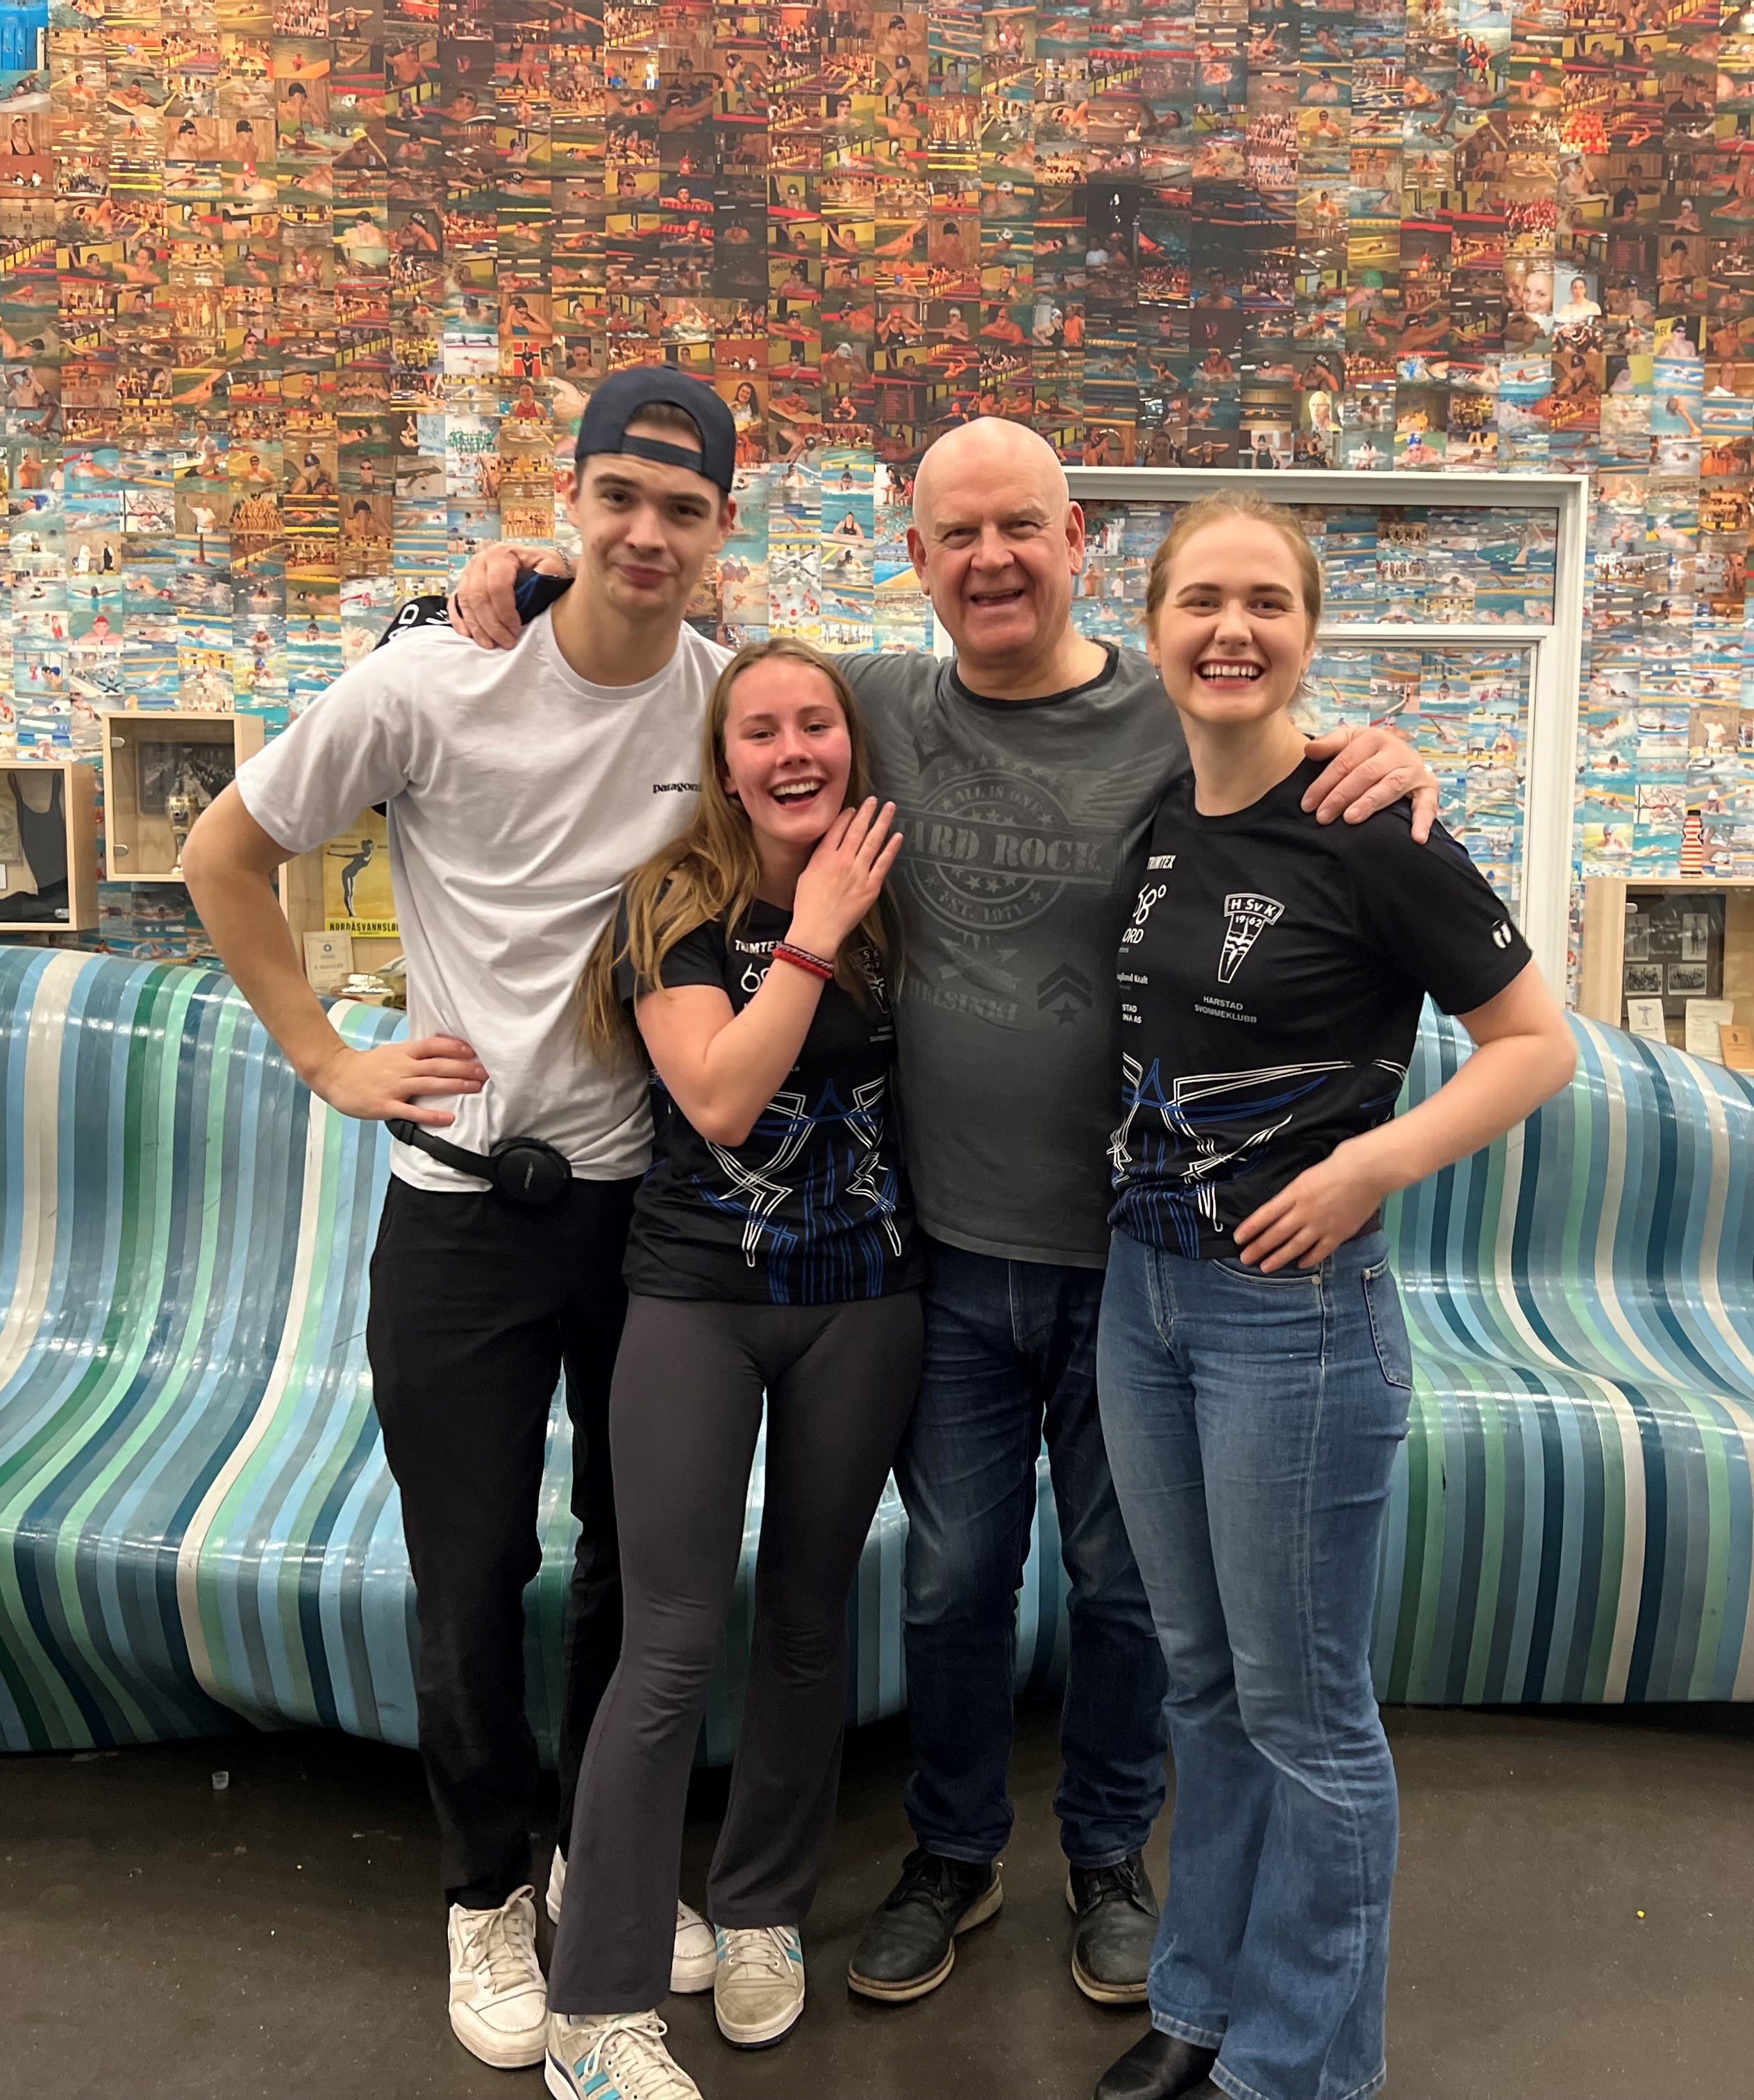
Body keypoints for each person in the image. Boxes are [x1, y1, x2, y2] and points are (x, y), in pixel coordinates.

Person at [446, 416, 1439, 2011]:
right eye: (956, 534)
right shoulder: (878, 709)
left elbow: (1273, 738)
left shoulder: (1167, 709)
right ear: (914, 558)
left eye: (1021, 527)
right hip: (943, 1258)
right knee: (953, 1579)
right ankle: (953, 1854)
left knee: (1124, 1588)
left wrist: (1382, 756)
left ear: (1076, 540)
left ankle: (1107, 1859)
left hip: (1132, 1257)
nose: (991, 559)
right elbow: (693, 641)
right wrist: (511, 580)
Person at [181, 372, 744, 2072]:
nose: (646, 533)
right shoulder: (432, 675)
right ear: (569, 497)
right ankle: (485, 1884)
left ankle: (601, 1851)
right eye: (619, 495)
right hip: (464, 1209)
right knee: (473, 1562)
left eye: (684, 507)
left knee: (641, 1560)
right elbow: (223, 854)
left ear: (722, 532)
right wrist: (326, 1056)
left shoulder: (723, 703)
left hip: (652, 1213)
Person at [1089, 494, 1577, 2100]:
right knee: (1205, 1682)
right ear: (1154, 629)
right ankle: (1201, 2002)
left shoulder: (1375, 828)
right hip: (1144, 1296)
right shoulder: (1162, 813)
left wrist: (1374, 1166)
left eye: (1267, 603)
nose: (1232, 630)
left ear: (1309, 633)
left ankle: (1303, 2067)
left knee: (1305, 1712)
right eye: (1201, 601)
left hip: (1289, 1321)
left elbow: (1534, 1047)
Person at [546, 643, 921, 2099]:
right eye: (758, 730)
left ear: (852, 743)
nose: (792, 750)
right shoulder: (674, 900)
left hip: (865, 1303)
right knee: (669, 1644)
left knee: (811, 1624)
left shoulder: (895, 888)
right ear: (723, 762)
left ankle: (762, 1905)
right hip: (695, 1301)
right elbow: (715, 1097)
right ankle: (597, 2009)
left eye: (816, 723)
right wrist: (814, 931)